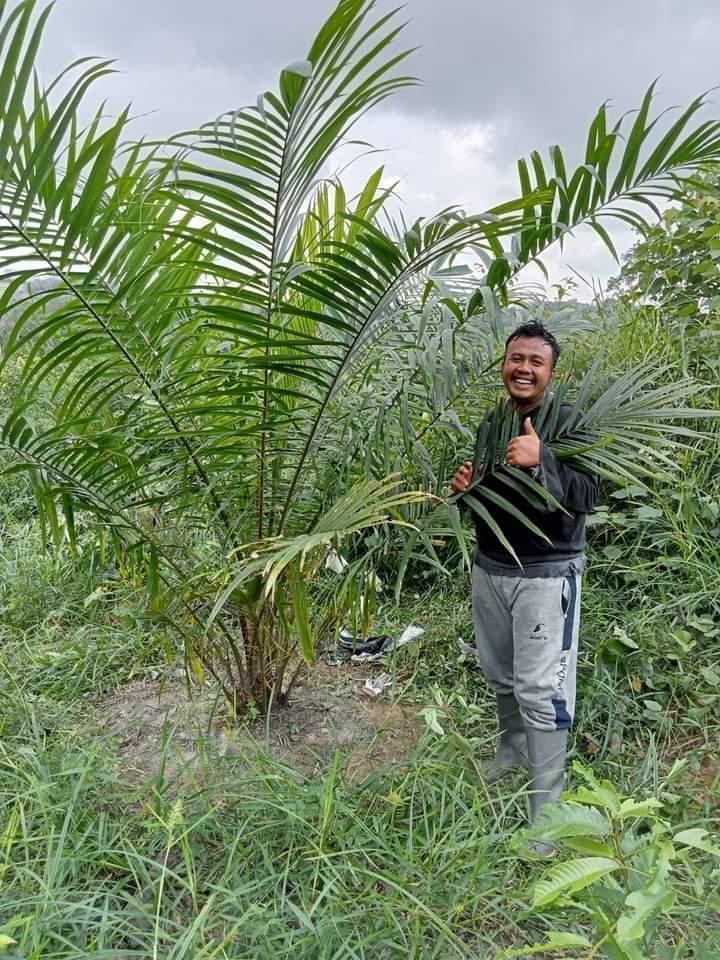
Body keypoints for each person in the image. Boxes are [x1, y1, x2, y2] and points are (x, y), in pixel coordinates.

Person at [451, 320, 599, 854]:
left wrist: (545, 462)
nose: (524, 368)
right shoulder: (493, 422)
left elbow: (590, 491)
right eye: (517, 358)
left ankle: (548, 816)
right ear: (503, 364)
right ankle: (512, 753)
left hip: (547, 575)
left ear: (551, 373)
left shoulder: (569, 422)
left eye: (536, 361)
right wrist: (468, 492)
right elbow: (496, 500)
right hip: (492, 568)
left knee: (542, 689)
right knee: (501, 674)